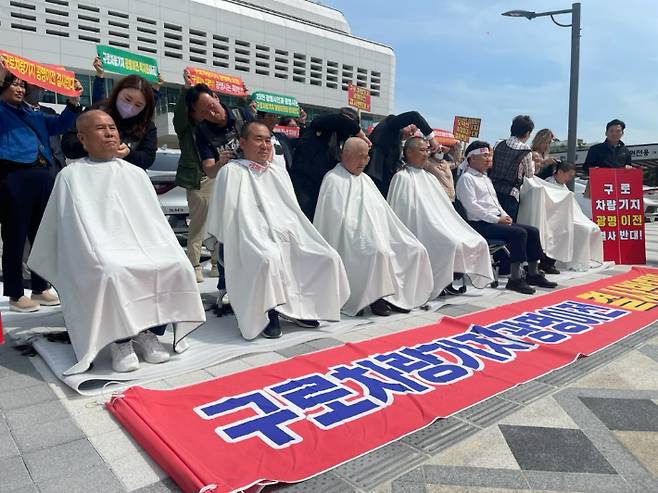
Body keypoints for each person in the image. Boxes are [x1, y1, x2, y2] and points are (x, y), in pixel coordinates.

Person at [28, 111, 205, 374]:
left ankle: (149, 331)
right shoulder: (70, 176)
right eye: (100, 128)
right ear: (83, 138)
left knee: (177, 264)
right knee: (112, 271)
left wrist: (161, 247)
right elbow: (71, 229)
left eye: (112, 127)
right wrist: (100, 250)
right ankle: (120, 341)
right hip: (97, 249)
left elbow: (153, 222)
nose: (110, 133)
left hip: (144, 245)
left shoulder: (135, 173)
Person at [206, 121, 350, 340]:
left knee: (326, 256)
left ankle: (302, 309)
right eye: (258, 140)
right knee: (268, 258)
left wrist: (295, 234)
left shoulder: (278, 173)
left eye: (267, 140)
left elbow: (292, 211)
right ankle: (267, 311)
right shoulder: (231, 172)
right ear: (243, 143)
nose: (265, 145)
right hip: (248, 236)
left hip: (286, 232)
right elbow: (226, 216)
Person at [314, 138, 433, 317]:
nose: (363, 162)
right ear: (345, 155)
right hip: (350, 237)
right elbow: (337, 219)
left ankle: (397, 297)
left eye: (366, 157)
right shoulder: (333, 179)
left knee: (414, 248)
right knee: (378, 251)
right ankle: (375, 298)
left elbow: (384, 212)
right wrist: (366, 235)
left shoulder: (366, 179)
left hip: (378, 232)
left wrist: (388, 233)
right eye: (359, 157)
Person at [0, 61, 82, 313]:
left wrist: (73, 103)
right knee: (14, 235)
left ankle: (39, 287)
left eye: (22, 84)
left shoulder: (32, 112)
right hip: (14, 175)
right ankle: (15, 293)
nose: (20, 89)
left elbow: (58, 126)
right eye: (14, 83)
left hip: (43, 174)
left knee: (41, 234)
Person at [387, 137, 494, 300]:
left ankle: (448, 281)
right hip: (418, 226)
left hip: (438, 223)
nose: (426, 154)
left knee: (474, 240)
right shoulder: (401, 177)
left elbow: (442, 208)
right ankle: (438, 283)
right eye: (422, 150)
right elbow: (403, 210)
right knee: (450, 244)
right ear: (408, 152)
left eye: (427, 150)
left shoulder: (430, 177)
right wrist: (429, 222)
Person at [455, 140, 558, 294]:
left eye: (489, 155)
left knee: (532, 231)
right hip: (479, 224)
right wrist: (497, 219)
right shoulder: (466, 179)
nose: (489, 159)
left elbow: (495, 204)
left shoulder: (485, 179)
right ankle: (515, 279)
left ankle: (533, 273)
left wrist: (504, 215)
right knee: (519, 233)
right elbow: (472, 208)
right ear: (472, 159)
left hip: (494, 220)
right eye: (484, 156)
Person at [61, 73, 157, 170]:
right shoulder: (96, 111)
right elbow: (68, 144)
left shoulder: (147, 125)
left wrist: (128, 153)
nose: (129, 108)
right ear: (118, 92)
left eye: (138, 105)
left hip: (126, 179)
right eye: (127, 99)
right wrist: (92, 145)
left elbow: (148, 158)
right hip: (91, 175)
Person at [290, 107, 370, 219]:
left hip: (325, 190)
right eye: (349, 123)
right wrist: (360, 133)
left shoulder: (343, 142)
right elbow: (341, 120)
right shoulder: (321, 126)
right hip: (305, 186)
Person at [545, 161, 603, 271]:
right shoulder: (549, 183)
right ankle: (574, 261)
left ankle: (585, 260)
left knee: (593, 227)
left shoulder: (562, 185)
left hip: (570, 216)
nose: (570, 179)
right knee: (583, 229)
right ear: (561, 172)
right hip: (555, 218)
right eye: (569, 175)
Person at [366, 111, 440, 196]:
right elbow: (414, 116)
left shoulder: (397, 139)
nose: (411, 134)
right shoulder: (391, 122)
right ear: (405, 123)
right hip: (375, 174)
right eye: (412, 130)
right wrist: (431, 138)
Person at [489, 115, 535, 221]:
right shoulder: (525, 150)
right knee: (508, 225)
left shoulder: (498, 143)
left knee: (493, 221)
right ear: (527, 133)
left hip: (492, 188)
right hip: (510, 193)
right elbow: (529, 175)